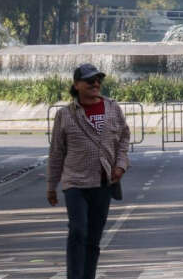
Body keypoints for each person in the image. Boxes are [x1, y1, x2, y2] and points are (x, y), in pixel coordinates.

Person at [47, 64, 130, 279]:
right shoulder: (65, 115)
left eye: (98, 79)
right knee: (78, 231)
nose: (95, 83)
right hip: (75, 184)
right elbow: (57, 151)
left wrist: (120, 165)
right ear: (77, 85)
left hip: (103, 183)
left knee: (93, 238)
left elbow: (124, 138)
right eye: (89, 80)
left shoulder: (113, 109)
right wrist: (51, 186)